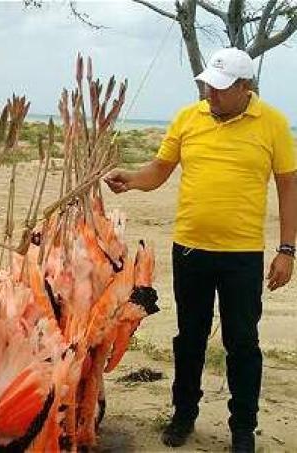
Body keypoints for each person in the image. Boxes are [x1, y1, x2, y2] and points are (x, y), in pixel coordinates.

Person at [104, 47, 296, 453]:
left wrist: (287, 249)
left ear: (245, 87)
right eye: (209, 84)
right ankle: (183, 414)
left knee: (242, 342)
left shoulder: (273, 124)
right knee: (189, 337)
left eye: (221, 88)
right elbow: (159, 170)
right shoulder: (187, 118)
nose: (211, 93)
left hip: (242, 256)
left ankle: (243, 428)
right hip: (190, 250)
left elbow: (288, 186)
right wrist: (131, 180)